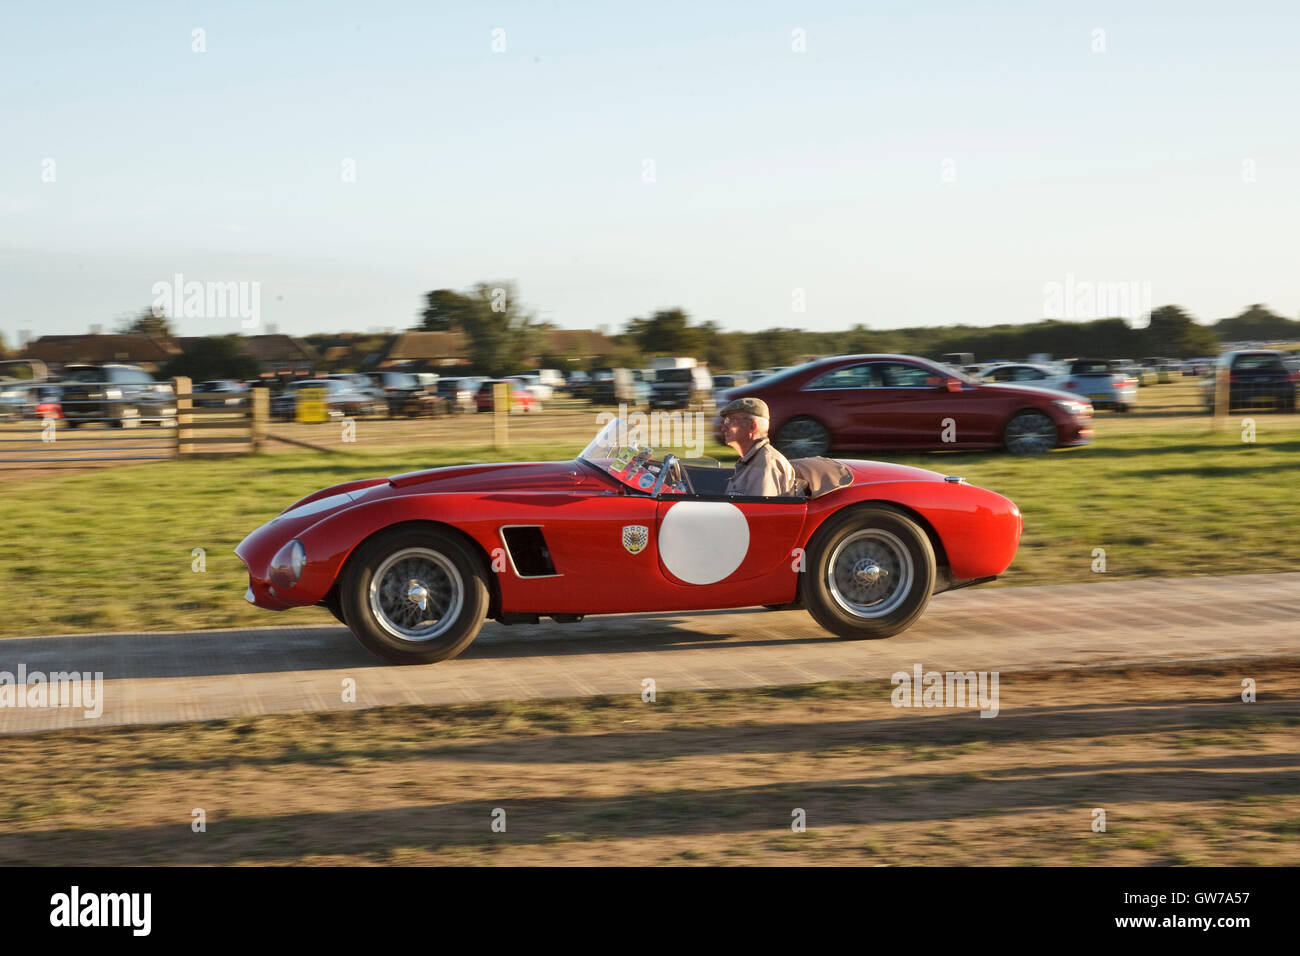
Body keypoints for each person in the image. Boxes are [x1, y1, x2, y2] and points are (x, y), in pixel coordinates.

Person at [719, 397, 798, 497]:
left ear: (752, 426)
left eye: (730, 421)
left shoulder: (765, 464)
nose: (723, 428)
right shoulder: (752, 461)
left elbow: (760, 510)